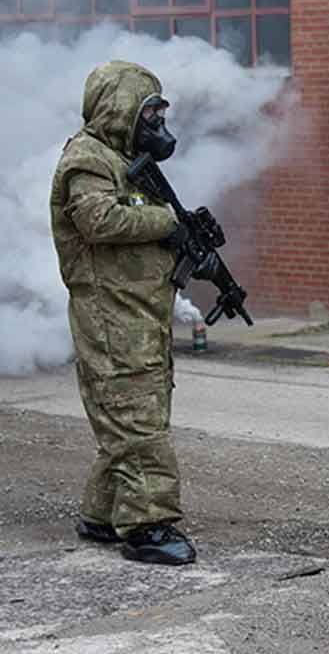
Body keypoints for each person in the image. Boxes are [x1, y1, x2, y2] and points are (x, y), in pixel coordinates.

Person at [49, 60, 197, 565]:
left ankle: (102, 514)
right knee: (139, 426)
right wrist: (167, 222)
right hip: (111, 319)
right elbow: (98, 219)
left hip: (137, 317)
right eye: (148, 112)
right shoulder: (87, 159)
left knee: (132, 420)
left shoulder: (125, 159)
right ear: (119, 109)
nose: (156, 123)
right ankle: (148, 526)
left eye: (159, 112)